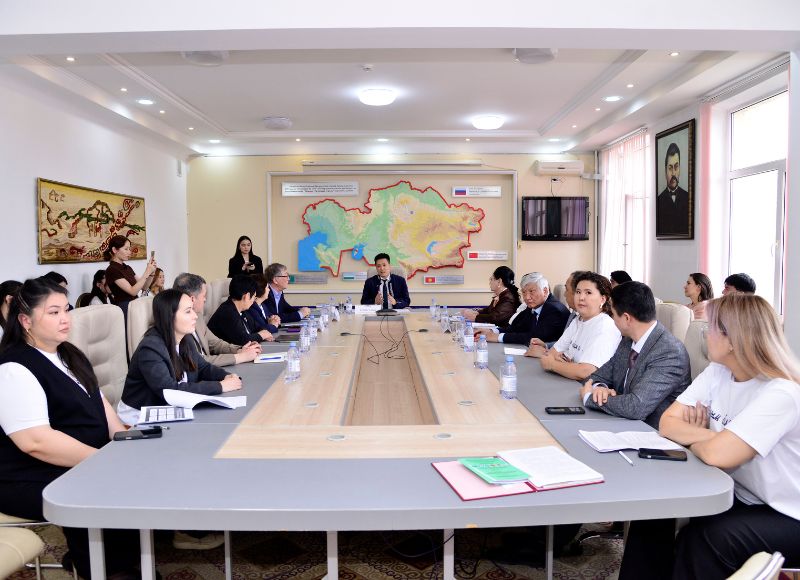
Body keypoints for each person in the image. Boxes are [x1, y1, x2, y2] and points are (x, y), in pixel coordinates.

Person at [619, 293, 800, 579]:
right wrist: (715, 437)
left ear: (733, 339)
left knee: (705, 539)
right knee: (655, 508)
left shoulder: (781, 393)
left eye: (712, 327)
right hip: (739, 493)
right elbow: (668, 424)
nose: (706, 333)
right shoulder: (718, 372)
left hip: (786, 513)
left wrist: (705, 439)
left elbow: (718, 455)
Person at [0, 278, 141, 579]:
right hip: (25, 473)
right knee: (101, 487)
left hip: (78, 458)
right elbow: (35, 442)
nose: (65, 318)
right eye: (53, 313)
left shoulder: (69, 353)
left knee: (137, 471)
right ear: (25, 321)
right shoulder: (14, 368)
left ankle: (124, 557)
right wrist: (102, 460)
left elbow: (99, 402)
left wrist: (124, 438)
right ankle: (103, 568)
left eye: (66, 309)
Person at [118, 289, 243, 426]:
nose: (195, 316)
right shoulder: (150, 348)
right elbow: (170, 390)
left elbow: (202, 367)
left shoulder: (185, 338)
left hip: (171, 409)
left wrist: (226, 376)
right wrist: (219, 386)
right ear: (170, 316)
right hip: (139, 417)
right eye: (188, 311)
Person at [579, 281, 690, 428]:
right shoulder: (628, 340)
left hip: (651, 432)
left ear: (626, 318)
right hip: (620, 423)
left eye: (613, 314)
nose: (612, 319)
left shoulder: (670, 353)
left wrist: (590, 397)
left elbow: (636, 406)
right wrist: (600, 388)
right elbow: (595, 377)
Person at [539, 271, 621, 381]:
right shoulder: (578, 320)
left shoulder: (606, 326)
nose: (581, 297)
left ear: (603, 299)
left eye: (588, 293)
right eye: (578, 292)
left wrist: (553, 365)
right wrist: (568, 366)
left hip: (587, 388)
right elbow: (551, 354)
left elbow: (585, 372)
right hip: (566, 381)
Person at [173, 273, 262, 367]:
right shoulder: (177, 325)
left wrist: (240, 350)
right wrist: (240, 357)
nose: (205, 299)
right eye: (204, 296)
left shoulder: (198, 316)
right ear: (192, 299)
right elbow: (199, 361)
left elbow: (215, 343)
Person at [476, 272, 569, 346]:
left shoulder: (553, 310)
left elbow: (535, 337)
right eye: (524, 292)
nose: (527, 297)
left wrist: (498, 337)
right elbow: (517, 327)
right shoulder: (534, 305)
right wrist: (492, 331)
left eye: (531, 291)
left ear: (545, 291)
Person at [208, 275, 275, 345]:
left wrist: (264, 333)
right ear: (247, 296)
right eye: (254, 297)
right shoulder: (227, 312)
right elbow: (243, 340)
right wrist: (261, 335)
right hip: (223, 351)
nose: (253, 301)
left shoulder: (241, 310)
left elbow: (256, 327)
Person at [103, 235, 157, 308]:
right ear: (114, 250)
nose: (129, 252)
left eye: (129, 249)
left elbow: (144, 287)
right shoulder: (112, 270)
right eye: (126, 249)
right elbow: (132, 291)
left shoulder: (127, 268)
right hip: (124, 307)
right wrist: (147, 271)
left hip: (134, 305)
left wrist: (151, 273)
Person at [656, 142, 690, 237]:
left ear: (680, 168)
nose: (674, 173)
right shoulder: (659, 200)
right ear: (665, 170)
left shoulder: (688, 198)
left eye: (676, 167)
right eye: (670, 168)